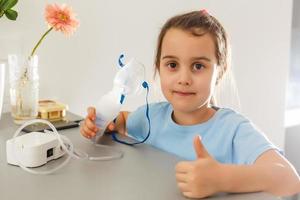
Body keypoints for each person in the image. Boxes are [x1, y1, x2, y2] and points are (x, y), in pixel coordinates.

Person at [80, 9, 300, 198]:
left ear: (219, 72)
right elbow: (123, 121)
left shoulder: (233, 129)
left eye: (197, 66)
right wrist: (100, 121)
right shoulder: (151, 116)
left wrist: (222, 179)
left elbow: (290, 179)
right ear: (158, 68)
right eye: (172, 65)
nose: (183, 78)